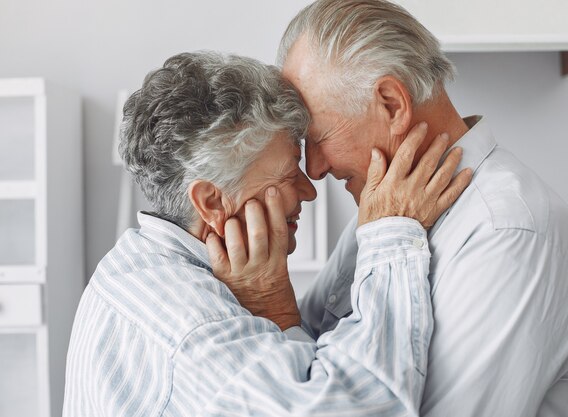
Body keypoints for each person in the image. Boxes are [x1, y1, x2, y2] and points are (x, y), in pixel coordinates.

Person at [62, 51, 471, 416]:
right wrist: (393, 237)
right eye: (289, 169)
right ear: (212, 201)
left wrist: (273, 312)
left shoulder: (133, 265)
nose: (309, 189)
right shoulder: (192, 331)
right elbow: (366, 408)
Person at [272, 1, 568, 416]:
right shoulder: (389, 208)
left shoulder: (508, 233)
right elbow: (312, 370)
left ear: (392, 104)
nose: (316, 169)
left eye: (318, 138)